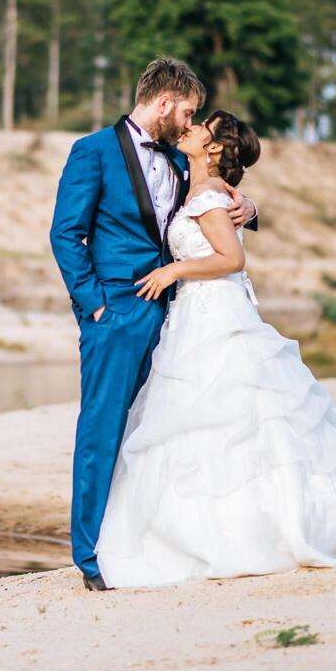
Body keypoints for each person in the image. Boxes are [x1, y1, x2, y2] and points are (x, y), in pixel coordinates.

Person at [93, 109, 336, 588]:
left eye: (199, 126)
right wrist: (243, 203)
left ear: (212, 148)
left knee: (229, 411)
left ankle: (253, 531)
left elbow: (232, 258)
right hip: (195, 313)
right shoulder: (196, 183)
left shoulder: (208, 195)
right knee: (205, 415)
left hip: (214, 310)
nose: (187, 128)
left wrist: (174, 270)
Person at [49, 57, 257, 591]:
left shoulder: (178, 157)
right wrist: (95, 306)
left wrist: (249, 207)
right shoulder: (92, 151)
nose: (190, 124)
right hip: (116, 312)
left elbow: (213, 195)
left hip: (177, 315)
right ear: (164, 102)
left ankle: (140, 540)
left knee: (154, 432)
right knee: (103, 427)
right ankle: (90, 555)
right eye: (187, 112)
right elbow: (66, 234)